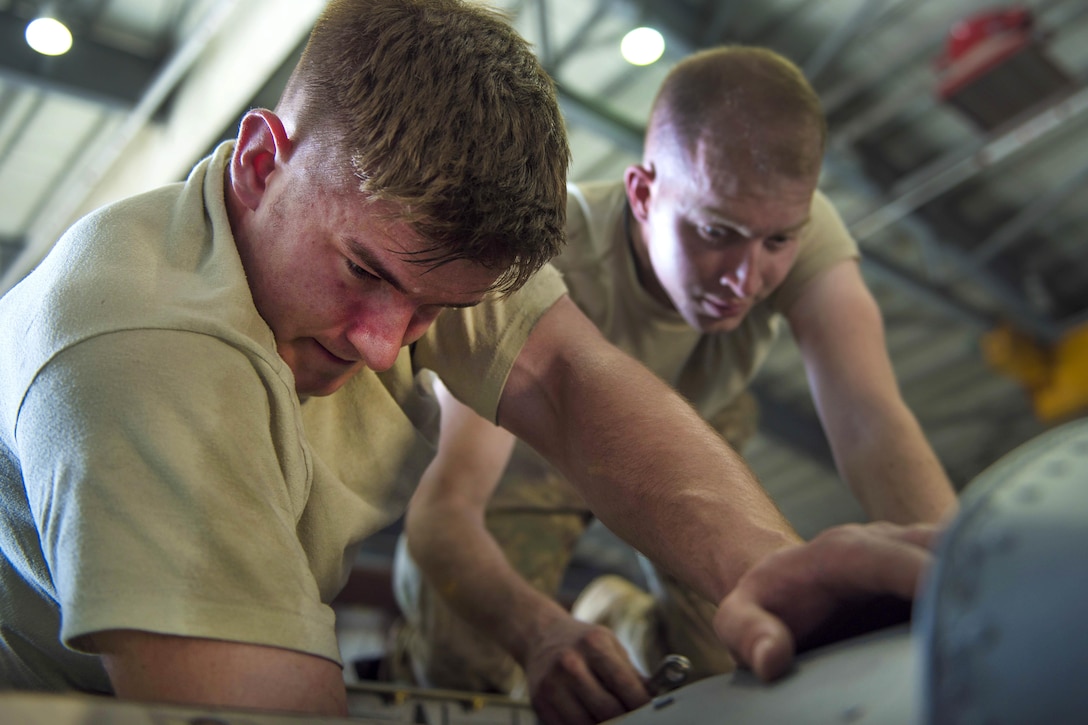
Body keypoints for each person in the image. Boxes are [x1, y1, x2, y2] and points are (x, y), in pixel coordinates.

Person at [0, 2, 913, 719]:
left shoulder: (413, 234)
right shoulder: (142, 350)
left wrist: (776, 574)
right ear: (260, 162)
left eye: (439, 310)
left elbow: (569, 383)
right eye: (362, 272)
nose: (383, 341)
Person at [391, 45, 959, 724]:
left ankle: (621, 615)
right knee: (471, 670)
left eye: (778, 242)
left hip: (698, 429)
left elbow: (871, 418)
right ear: (641, 192)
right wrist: (540, 632)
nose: (745, 278)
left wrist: (958, 583)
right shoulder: (541, 256)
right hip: (525, 452)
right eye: (716, 232)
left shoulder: (791, 229)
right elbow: (443, 513)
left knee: (739, 662)